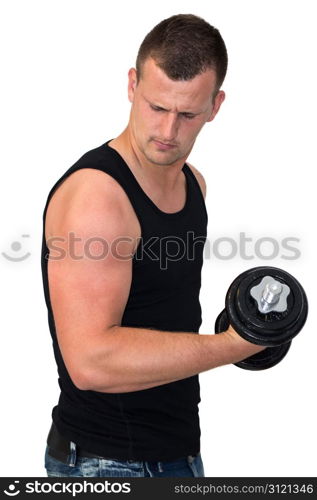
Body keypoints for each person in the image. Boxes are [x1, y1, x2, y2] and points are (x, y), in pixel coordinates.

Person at [41, 13, 264, 478]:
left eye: (187, 114)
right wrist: (235, 344)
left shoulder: (194, 185)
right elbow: (90, 361)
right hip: (106, 463)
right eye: (156, 107)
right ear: (131, 85)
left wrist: (240, 330)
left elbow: (164, 311)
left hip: (177, 451)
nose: (167, 131)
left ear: (215, 105)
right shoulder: (98, 198)